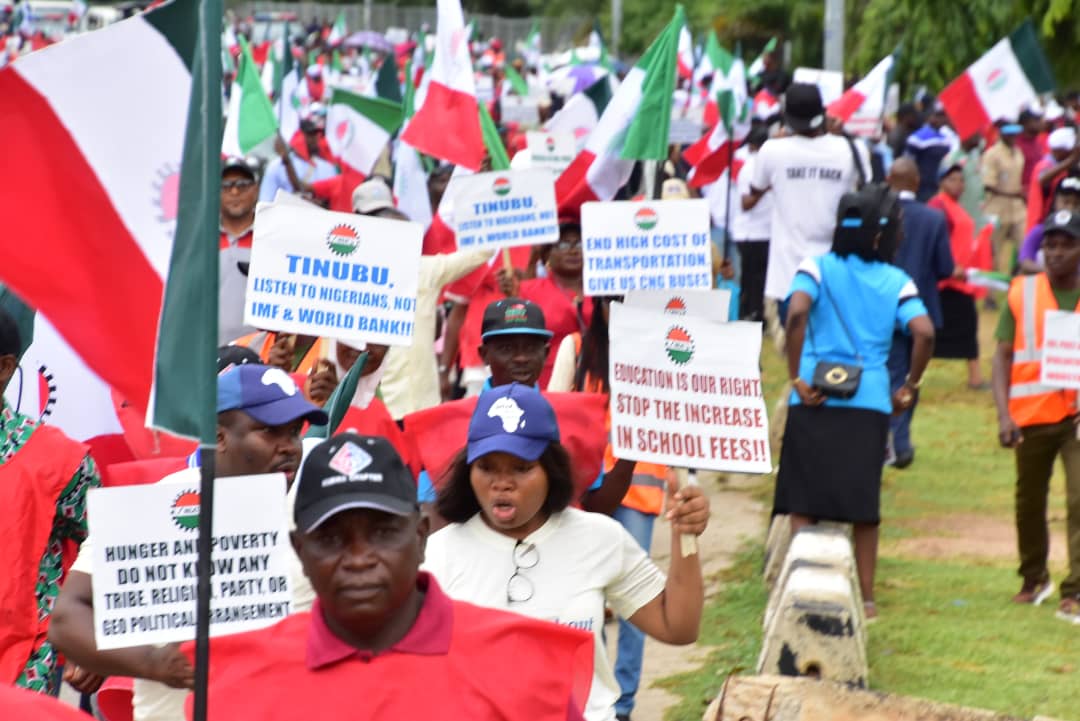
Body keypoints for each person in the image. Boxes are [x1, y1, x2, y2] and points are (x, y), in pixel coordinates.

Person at [189, 432, 593, 720]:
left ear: (420, 538)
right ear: (299, 551)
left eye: (383, 533)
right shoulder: (233, 686)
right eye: (330, 539)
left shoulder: (522, 666)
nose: (359, 558)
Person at [49, 364, 328, 721]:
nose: (289, 447)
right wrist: (154, 662)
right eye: (270, 431)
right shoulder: (162, 504)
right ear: (219, 435)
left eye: (294, 432)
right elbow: (68, 618)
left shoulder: (322, 511)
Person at [424, 383, 710, 721]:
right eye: (487, 467)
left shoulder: (599, 538)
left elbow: (678, 626)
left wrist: (684, 535)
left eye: (521, 467)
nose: (502, 483)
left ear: (551, 469)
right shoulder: (437, 556)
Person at [775, 185, 934, 618]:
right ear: (879, 237)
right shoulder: (896, 281)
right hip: (869, 401)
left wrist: (795, 376)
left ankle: (796, 584)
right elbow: (924, 332)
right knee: (864, 506)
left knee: (803, 501)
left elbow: (796, 313)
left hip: (813, 396)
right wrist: (909, 387)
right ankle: (866, 599)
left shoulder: (816, 267)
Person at [547, 301, 671, 720]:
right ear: (595, 304)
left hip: (639, 494)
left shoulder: (656, 352)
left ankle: (623, 707)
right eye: (608, 299)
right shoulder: (576, 349)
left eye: (626, 298)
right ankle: (587, 696)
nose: (617, 307)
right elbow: (555, 414)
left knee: (636, 607)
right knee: (586, 601)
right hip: (585, 496)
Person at [0, 306, 101, 695]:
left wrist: (92, 636)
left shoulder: (59, 461)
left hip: (21, 671)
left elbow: (108, 546)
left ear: (5, 367)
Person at [992, 209, 1080, 620]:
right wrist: (1003, 415)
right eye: (1050, 244)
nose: (1057, 253)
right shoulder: (1022, 292)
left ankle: (1075, 590)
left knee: (1079, 499)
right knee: (1028, 501)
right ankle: (1033, 578)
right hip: (1031, 414)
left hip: (1075, 419)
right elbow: (1002, 356)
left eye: (1067, 244)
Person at [350, 180, 491, 419]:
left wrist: (481, 191)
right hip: (377, 409)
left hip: (425, 406)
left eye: (404, 234)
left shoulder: (424, 270)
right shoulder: (347, 278)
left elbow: (481, 251)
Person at [746, 83, 870, 321]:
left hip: (788, 278)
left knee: (798, 352)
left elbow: (756, 188)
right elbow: (868, 185)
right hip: (838, 272)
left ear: (786, 117)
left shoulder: (772, 150)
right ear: (823, 113)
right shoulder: (852, 149)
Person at [885, 159, 955, 467]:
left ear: (889, 179)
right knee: (912, 377)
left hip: (883, 309)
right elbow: (945, 268)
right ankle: (899, 443)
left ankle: (893, 443)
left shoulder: (881, 214)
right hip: (920, 311)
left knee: (890, 373)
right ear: (916, 182)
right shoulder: (933, 218)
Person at [505, 217, 595, 387]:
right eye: (563, 245)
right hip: (548, 381)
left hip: (594, 379)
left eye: (579, 244)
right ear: (547, 254)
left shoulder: (603, 290)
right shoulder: (527, 291)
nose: (573, 251)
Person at [929, 160, 989, 389]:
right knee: (942, 329)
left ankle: (975, 377)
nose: (959, 184)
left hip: (961, 279)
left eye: (961, 179)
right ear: (941, 182)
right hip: (946, 280)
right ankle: (975, 378)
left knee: (967, 327)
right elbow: (934, 242)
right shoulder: (938, 206)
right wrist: (947, 266)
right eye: (952, 179)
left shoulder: (956, 206)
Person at [219, 155, 261, 345]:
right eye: (226, 185)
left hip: (258, 353)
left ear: (255, 189)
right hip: (205, 355)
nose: (234, 191)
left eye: (242, 184)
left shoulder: (268, 237)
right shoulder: (202, 241)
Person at [735, 125, 774, 322]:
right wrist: (764, 189)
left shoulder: (766, 164)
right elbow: (745, 203)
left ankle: (757, 315)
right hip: (751, 233)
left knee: (759, 280)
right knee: (751, 280)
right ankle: (749, 315)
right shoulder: (750, 167)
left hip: (764, 232)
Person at [259, 111, 338, 203]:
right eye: (310, 135)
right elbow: (266, 201)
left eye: (316, 134)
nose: (314, 138)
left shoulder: (328, 168)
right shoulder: (276, 166)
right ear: (298, 135)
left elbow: (332, 203)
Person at [982, 122, 1027, 275]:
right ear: (1001, 134)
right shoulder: (992, 154)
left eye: (1015, 134)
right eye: (1010, 134)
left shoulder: (1018, 152)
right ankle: (990, 295)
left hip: (1018, 209)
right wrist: (1013, 193)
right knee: (994, 253)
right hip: (996, 210)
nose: (1014, 137)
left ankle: (1022, 288)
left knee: (1025, 249)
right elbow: (988, 184)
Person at [1018, 175, 1080, 273]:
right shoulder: (1040, 231)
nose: (1070, 208)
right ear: (1055, 202)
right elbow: (1025, 261)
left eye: (1076, 204)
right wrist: (1053, 274)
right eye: (1066, 202)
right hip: (1042, 281)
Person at [1026, 126, 1079, 233]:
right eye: (1069, 151)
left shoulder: (1060, 166)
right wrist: (1071, 160)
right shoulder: (1045, 165)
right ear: (1059, 151)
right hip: (1041, 222)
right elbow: (1042, 180)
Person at [904, 102, 959, 202]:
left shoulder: (949, 138)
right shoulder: (918, 138)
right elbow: (908, 164)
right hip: (923, 189)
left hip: (942, 188)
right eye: (937, 115)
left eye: (943, 116)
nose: (940, 119)